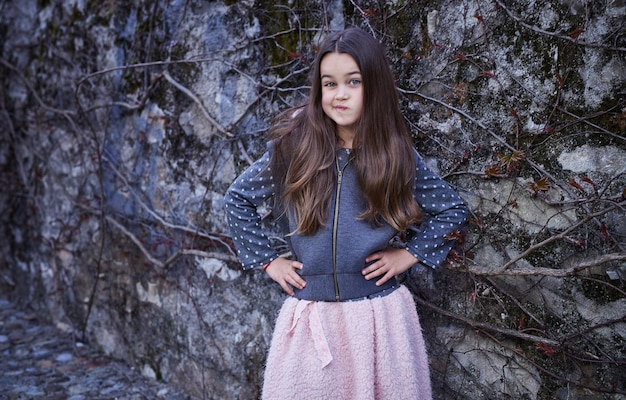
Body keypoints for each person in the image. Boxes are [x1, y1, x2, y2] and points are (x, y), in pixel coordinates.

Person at [224, 27, 469, 400]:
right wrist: (267, 261)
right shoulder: (295, 147)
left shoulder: (394, 154)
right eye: (329, 83)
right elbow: (237, 199)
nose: (339, 94)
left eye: (352, 82)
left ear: (374, 85)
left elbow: (452, 209)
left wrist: (409, 254)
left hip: (378, 320)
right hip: (312, 318)